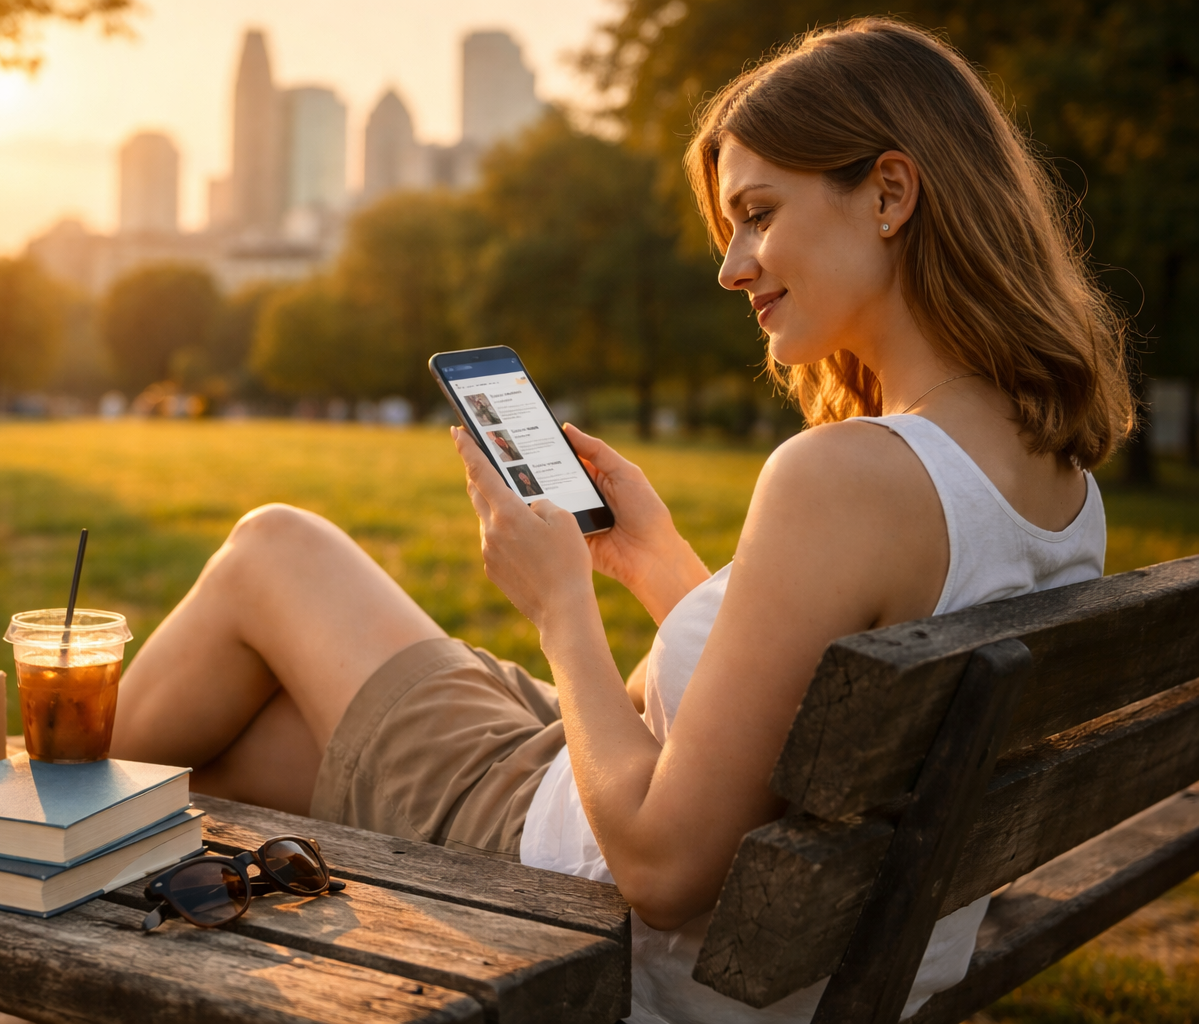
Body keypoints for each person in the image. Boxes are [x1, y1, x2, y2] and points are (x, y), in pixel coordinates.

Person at [111, 19, 1131, 1023]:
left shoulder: (848, 475)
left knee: (273, 547)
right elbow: (801, 704)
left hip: (569, 871)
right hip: (776, 922)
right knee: (252, 745)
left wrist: (561, 604)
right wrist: (660, 568)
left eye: (760, 212)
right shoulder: (1056, 484)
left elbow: (661, 866)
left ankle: (23, 815)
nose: (734, 266)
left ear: (890, 192)